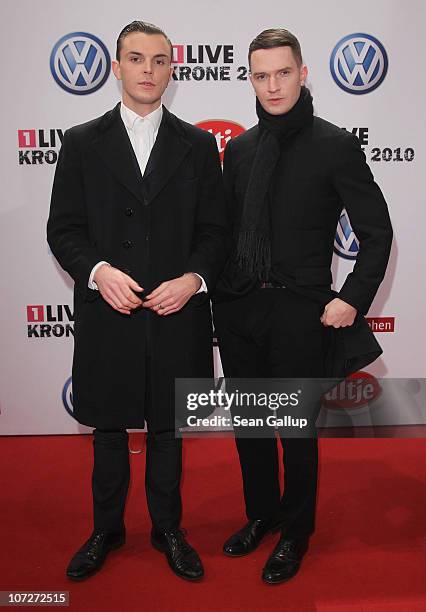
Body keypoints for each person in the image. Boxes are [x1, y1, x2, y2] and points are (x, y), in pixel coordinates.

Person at [47, 20, 227, 582]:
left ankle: (168, 529)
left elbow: (216, 232)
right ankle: (105, 529)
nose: (147, 70)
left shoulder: (198, 145)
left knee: (169, 429)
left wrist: (194, 279)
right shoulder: (80, 141)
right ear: (117, 66)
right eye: (136, 58)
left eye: (158, 60)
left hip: (177, 313)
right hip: (111, 312)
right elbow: (64, 230)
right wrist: (98, 272)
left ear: (172, 70)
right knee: (107, 428)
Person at [212, 28, 392, 584]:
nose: (272, 85)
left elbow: (377, 233)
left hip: (300, 312)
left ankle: (296, 530)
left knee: (294, 430)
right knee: (250, 425)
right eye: (261, 75)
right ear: (251, 78)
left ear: (303, 73)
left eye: (283, 72)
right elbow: (224, 233)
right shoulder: (239, 149)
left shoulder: (334, 144)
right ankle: (262, 514)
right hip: (240, 311)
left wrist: (352, 299)